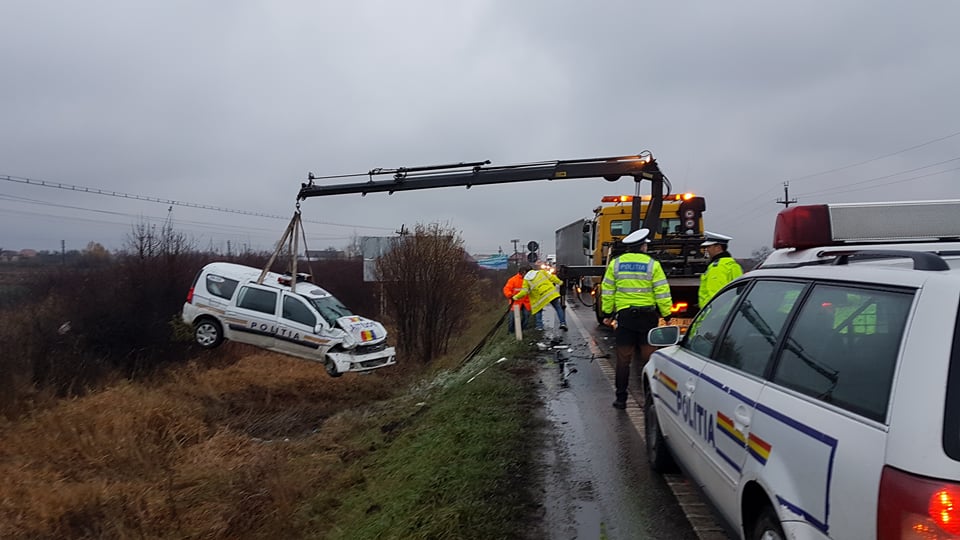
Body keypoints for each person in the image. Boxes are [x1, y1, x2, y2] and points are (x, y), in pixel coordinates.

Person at [600, 228, 673, 409]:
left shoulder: (616, 264)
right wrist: (666, 314)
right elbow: (662, 291)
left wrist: (607, 314)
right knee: (649, 359)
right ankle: (651, 400)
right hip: (648, 318)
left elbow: (607, 291)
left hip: (625, 318)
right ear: (642, 246)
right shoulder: (653, 264)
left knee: (623, 360)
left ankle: (621, 399)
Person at [513, 264, 567, 331]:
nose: (522, 276)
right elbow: (552, 278)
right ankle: (562, 323)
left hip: (540, 297)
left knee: (538, 310)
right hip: (551, 293)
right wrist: (560, 282)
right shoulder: (541, 272)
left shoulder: (526, 280)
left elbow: (524, 292)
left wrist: (515, 297)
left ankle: (539, 326)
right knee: (558, 308)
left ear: (524, 272)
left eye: (521, 274)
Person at [698, 231, 744, 308]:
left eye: (709, 247)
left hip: (716, 311)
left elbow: (715, 294)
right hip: (729, 309)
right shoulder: (732, 264)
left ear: (718, 248)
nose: (707, 250)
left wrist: (713, 312)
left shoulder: (717, 267)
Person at [502, 264, 532, 331]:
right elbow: (506, 289)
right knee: (512, 318)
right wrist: (510, 295)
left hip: (526, 301)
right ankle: (511, 331)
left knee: (526, 316)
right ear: (523, 272)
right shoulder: (513, 280)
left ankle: (522, 329)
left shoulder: (529, 280)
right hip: (515, 301)